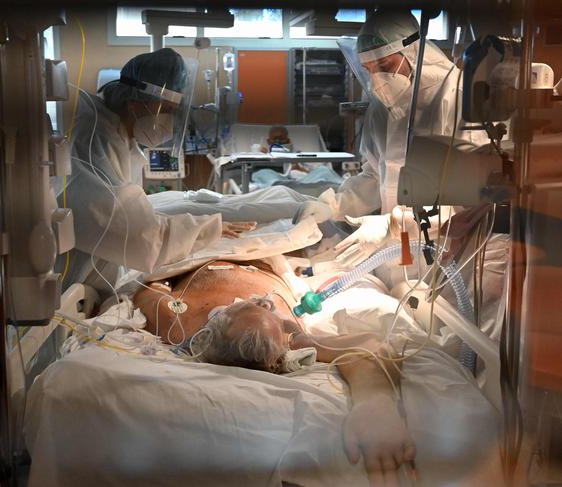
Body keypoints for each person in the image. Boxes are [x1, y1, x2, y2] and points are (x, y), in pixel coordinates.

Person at [133, 260, 416, 486]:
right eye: (260, 306)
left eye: (264, 306)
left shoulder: (176, 320)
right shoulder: (286, 332)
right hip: (232, 257)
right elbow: (368, 351)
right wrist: (376, 399)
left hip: (235, 254)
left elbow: (148, 288)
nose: (262, 301)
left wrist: (373, 400)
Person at [294, 9, 487, 267]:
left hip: (448, 254)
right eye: (369, 69)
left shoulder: (458, 98)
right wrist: (334, 205)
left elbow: (473, 200)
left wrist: (396, 223)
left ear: (414, 52)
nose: (378, 80)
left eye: (384, 66)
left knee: (433, 306)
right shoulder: (381, 107)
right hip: (393, 252)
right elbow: (374, 176)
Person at [62, 48, 254, 295]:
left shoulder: (120, 135)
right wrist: (204, 229)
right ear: (135, 105)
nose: (170, 121)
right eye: (166, 111)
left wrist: (203, 229)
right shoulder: (94, 140)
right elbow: (134, 232)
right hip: (71, 284)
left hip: (93, 277)